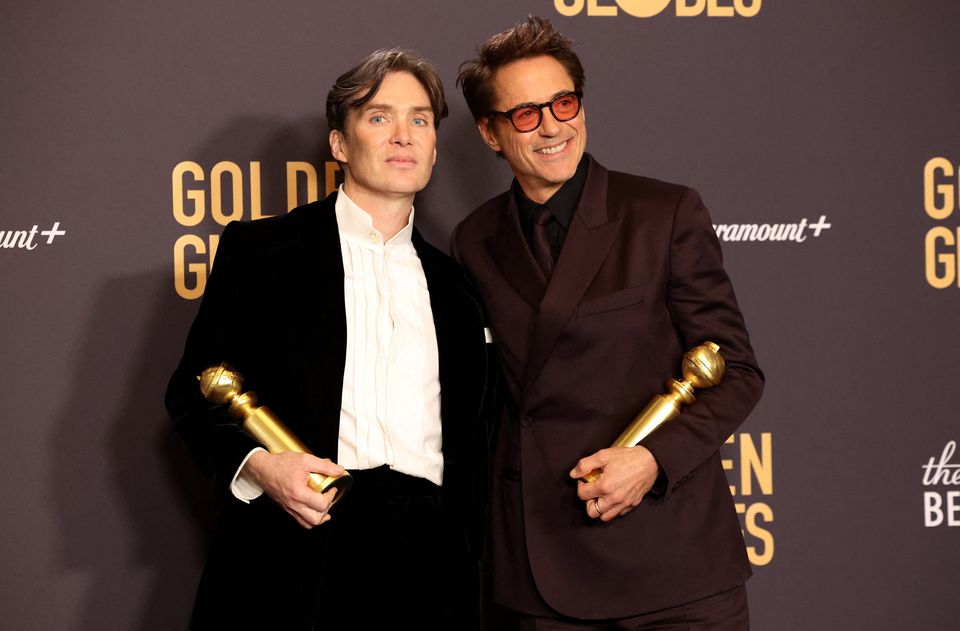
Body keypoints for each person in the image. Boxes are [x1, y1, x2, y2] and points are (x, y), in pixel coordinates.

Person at [166, 48, 495, 631]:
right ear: (339, 145)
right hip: (297, 550)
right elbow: (196, 392)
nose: (404, 135)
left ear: (435, 147)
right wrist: (263, 468)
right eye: (379, 117)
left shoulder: (458, 285)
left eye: (420, 119)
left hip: (431, 567)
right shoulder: (263, 254)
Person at [453, 17, 764, 630]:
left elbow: (737, 371)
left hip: (672, 564)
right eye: (524, 114)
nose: (551, 126)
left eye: (563, 102)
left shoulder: (662, 214)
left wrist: (651, 461)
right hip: (540, 562)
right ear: (490, 134)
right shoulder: (475, 239)